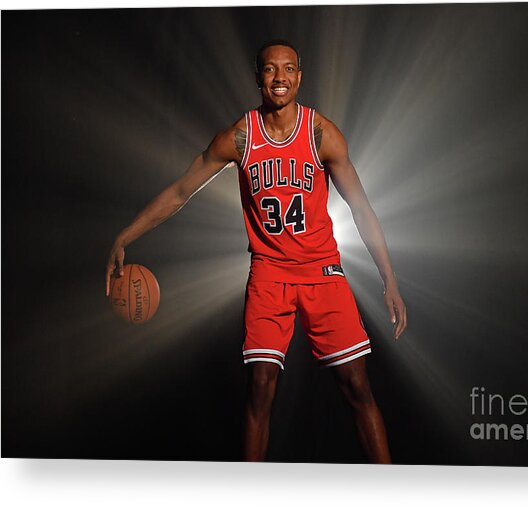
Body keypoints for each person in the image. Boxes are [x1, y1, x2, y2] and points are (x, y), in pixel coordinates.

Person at [105, 40, 407, 463]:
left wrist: (389, 279)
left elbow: (361, 208)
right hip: (269, 272)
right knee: (260, 386)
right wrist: (125, 236)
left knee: (357, 384)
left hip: (321, 269)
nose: (279, 77)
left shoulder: (322, 134)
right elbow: (179, 191)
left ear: (300, 77)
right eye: (270, 69)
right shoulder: (239, 137)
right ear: (258, 77)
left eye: (288, 69)